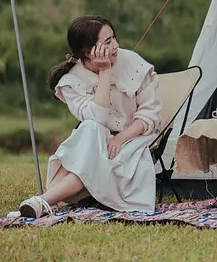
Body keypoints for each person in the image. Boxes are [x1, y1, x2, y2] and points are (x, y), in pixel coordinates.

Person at [16, 15, 162, 219]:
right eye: (108, 42)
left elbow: (149, 114)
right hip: (95, 139)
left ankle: (43, 201)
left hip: (131, 139)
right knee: (91, 128)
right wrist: (105, 72)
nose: (116, 46)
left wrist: (120, 138)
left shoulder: (132, 62)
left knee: (90, 144)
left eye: (114, 38)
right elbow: (97, 119)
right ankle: (44, 202)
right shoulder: (71, 82)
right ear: (88, 52)